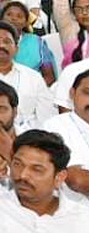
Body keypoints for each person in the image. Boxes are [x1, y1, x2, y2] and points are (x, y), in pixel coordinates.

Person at [35, 69, 89, 206]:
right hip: (73, 214)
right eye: (87, 93)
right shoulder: (56, 126)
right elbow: (77, 180)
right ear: (72, 93)